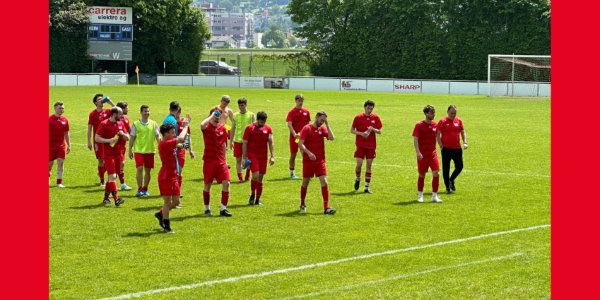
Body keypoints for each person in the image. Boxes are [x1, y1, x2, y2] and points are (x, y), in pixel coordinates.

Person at [153, 115, 191, 233]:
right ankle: (167, 226)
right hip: (165, 176)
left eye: (174, 131)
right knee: (167, 202)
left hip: (173, 175)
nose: (174, 133)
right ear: (165, 134)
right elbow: (180, 139)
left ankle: (161, 214)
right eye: (171, 132)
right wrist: (185, 126)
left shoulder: (168, 142)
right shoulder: (165, 144)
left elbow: (179, 143)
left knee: (176, 202)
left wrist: (183, 145)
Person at [298, 111, 336, 215]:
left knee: (324, 181)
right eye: (321, 120)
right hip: (308, 161)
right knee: (305, 182)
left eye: (324, 121)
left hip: (320, 161)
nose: (322, 122)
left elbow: (332, 138)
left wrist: (328, 124)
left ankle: (326, 207)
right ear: (316, 117)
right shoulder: (307, 128)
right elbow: (300, 144)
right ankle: (302, 203)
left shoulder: (322, 128)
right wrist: (309, 153)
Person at [95, 107, 129, 207]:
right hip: (109, 154)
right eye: (120, 114)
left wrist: (123, 134)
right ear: (114, 114)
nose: (122, 116)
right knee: (112, 176)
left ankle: (106, 198)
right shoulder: (104, 124)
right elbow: (97, 137)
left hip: (119, 153)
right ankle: (116, 199)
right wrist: (108, 140)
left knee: (113, 177)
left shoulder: (121, 123)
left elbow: (128, 138)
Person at [201, 110, 233, 217]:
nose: (217, 117)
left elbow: (224, 144)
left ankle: (223, 209)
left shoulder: (222, 128)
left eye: (219, 115)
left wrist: (225, 160)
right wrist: (211, 116)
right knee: (208, 185)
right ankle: (207, 209)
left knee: (227, 182)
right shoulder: (207, 127)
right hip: (209, 160)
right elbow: (201, 125)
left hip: (221, 161)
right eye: (215, 115)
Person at [242, 111, 275, 206]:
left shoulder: (268, 128)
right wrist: (244, 157)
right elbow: (245, 143)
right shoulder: (249, 128)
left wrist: (272, 156)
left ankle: (257, 199)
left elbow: (271, 142)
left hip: (263, 156)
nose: (262, 124)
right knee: (255, 175)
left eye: (264, 122)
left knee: (260, 178)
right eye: (261, 122)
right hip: (253, 155)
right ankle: (252, 194)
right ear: (257, 119)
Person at [350, 99, 383, 194]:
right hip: (360, 145)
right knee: (359, 165)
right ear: (365, 107)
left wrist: (373, 129)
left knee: (369, 165)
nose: (370, 110)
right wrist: (361, 133)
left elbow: (380, 131)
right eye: (368, 108)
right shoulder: (358, 117)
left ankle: (366, 187)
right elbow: (352, 130)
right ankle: (357, 178)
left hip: (371, 146)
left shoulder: (376, 117)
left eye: (371, 108)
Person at [128, 105, 161, 197]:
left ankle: (145, 189)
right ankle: (139, 189)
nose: (147, 113)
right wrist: (130, 149)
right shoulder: (136, 124)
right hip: (138, 151)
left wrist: (161, 146)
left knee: (148, 171)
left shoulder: (154, 124)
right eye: (145, 111)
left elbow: (158, 136)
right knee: (139, 168)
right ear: (141, 112)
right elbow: (132, 137)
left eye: (148, 111)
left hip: (150, 151)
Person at [412, 105, 442, 203]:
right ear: (425, 113)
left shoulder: (435, 125)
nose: (433, 114)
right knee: (422, 174)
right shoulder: (419, 125)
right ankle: (420, 195)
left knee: (436, 173)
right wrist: (418, 152)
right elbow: (415, 139)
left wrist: (441, 146)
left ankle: (434, 196)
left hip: (433, 153)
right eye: (431, 112)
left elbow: (438, 137)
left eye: (434, 112)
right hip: (422, 154)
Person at [436, 105, 468, 194]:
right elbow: (437, 134)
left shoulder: (459, 121)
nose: (453, 115)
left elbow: (462, 132)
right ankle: (447, 188)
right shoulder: (442, 121)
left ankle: (451, 179)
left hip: (457, 148)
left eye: (454, 113)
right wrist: (441, 146)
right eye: (451, 113)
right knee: (446, 168)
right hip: (446, 149)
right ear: (447, 112)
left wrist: (465, 142)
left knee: (460, 166)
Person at [87, 93, 115, 186]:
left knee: (110, 159)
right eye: (99, 99)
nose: (101, 100)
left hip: (108, 139)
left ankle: (101, 171)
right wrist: (89, 141)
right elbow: (89, 128)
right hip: (98, 140)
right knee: (101, 160)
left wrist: (110, 102)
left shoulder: (107, 111)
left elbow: (118, 111)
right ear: (95, 102)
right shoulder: (92, 114)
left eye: (102, 99)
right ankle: (102, 180)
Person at [286, 94, 311, 179]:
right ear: (296, 101)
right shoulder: (292, 112)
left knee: (305, 154)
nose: (300, 102)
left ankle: (307, 173)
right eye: (299, 100)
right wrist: (295, 134)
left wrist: (306, 133)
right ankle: (292, 172)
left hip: (304, 137)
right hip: (295, 138)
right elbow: (289, 124)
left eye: (302, 100)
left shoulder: (306, 112)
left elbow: (308, 124)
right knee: (293, 154)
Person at [231, 97, 255, 182]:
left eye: (242, 105)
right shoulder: (235, 115)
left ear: (246, 105)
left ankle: (248, 174)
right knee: (238, 159)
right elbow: (233, 128)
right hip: (237, 141)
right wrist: (231, 141)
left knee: (248, 159)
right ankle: (240, 178)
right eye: (239, 105)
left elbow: (254, 129)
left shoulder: (251, 115)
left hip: (248, 141)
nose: (241, 107)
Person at [49, 101, 70, 188]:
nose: (61, 110)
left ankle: (59, 182)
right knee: (49, 164)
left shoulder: (65, 120)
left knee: (60, 162)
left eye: (62, 108)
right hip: (50, 145)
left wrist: (69, 144)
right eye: (60, 108)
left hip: (61, 145)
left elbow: (66, 133)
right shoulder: (49, 119)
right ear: (55, 108)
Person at [115, 102, 132, 191]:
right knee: (121, 164)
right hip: (116, 146)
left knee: (118, 164)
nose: (128, 109)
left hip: (123, 145)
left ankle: (104, 170)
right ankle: (122, 184)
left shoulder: (125, 118)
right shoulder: (116, 120)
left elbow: (128, 130)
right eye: (126, 108)